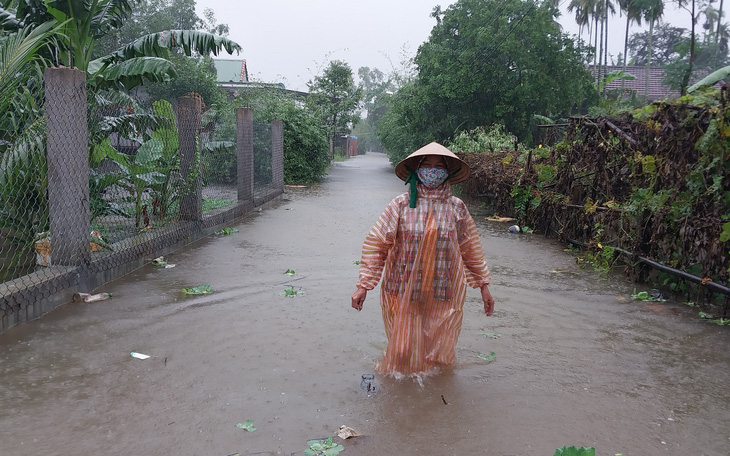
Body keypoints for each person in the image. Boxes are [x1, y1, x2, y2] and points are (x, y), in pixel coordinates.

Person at [351, 142, 494, 378]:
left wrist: (484, 287)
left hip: (441, 289)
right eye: (426, 165)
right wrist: (363, 286)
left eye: (439, 166)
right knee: (403, 351)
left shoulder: (457, 208)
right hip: (403, 287)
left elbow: (470, 249)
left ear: (448, 172)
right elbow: (377, 245)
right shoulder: (400, 205)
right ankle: (400, 390)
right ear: (416, 170)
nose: (432, 170)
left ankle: (432, 396)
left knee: (436, 352)